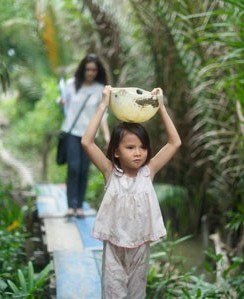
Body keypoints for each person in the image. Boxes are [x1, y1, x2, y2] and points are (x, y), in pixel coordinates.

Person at [81, 85, 181, 298]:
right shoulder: (110, 172)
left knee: (137, 295)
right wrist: (103, 105)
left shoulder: (148, 172)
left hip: (140, 248)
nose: (138, 153)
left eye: (143, 147)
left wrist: (160, 107)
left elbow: (175, 142)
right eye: (130, 147)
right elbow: (86, 142)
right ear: (116, 152)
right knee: (113, 294)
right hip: (115, 249)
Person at [57, 53, 110, 218]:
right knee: (73, 168)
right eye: (87, 69)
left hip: (89, 136)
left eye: (94, 70)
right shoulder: (72, 84)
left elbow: (103, 115)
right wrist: (60, 101)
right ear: (82, 69)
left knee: (83, 170)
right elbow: (63, 100)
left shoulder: (100, 88)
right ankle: (70, 206)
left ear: (97, 71)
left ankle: (79, 206)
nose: (90, 73)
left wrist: (107, 136)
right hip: (72, 132)